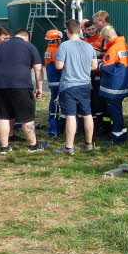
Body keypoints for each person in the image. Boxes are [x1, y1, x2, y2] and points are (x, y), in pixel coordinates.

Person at [0, 29, 48, 154]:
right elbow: (38, 69)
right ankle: (33, 146)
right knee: (27, 117)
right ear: (26, 37)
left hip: (1, 86)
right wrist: (39, 87)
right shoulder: (30, 47)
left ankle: (4, 147)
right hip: (22, 85)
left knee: (3, 117)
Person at [52, 20, 98, 155]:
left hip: (69, 85)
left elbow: (59, 66)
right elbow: (94, 66)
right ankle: (89, 143)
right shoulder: (89, 46)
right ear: (80, 30)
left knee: (70, 115)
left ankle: (69, 147)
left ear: (68, 30)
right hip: (85, 85)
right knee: (87, 114)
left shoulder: (64, 46)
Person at [97, 25, 128, 145]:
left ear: (108, 37)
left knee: (114, 112)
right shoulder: (127, 46)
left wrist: (98, 63)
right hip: (123, 85)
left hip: (113, 87)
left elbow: (107, 68)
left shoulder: (113, 49)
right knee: (118, 110)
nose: (104, 42)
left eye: (105, 39)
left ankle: (117, 137)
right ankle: (121, 133)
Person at [82, 20, 107, 128]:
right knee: (89, 97)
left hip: (99, 72)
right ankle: (91, 121)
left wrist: (99, 53)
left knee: (98, 97)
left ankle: (101, 121)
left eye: (93, 29)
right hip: (86, 74)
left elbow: (108, 54)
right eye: (89, 30)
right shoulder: (83, 41)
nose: (91, 31)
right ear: (85, 31)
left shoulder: (102, 38)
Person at [43, 29, 63, 137]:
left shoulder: (48, 49)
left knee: (53, 100)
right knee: (57, 102)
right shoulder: (56, 50)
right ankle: (55, 126)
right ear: (56, 40)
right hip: (58, 80)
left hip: (52, 80)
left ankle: (52, 121)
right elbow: (60, 67)